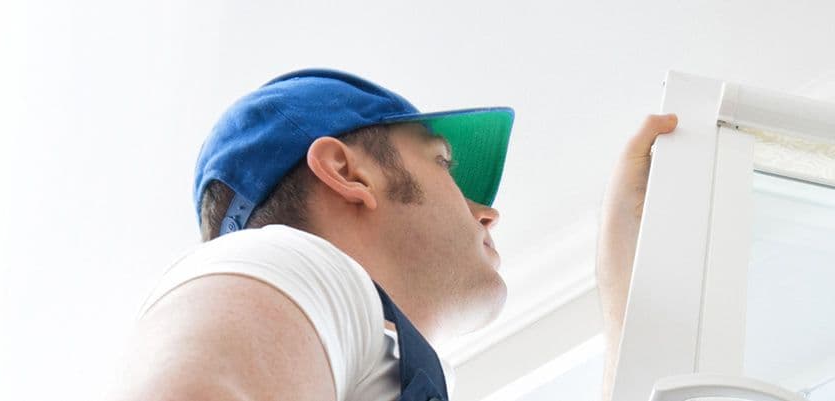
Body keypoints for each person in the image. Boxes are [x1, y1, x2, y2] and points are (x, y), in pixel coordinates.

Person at [114, 68, 674, 401]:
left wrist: (632, 275)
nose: (486, 213)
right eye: (445, 165)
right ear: (347, 173)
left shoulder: (377, 357)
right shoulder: (287, 261)